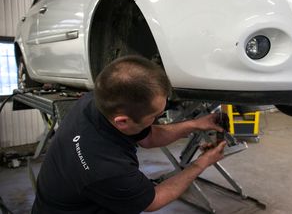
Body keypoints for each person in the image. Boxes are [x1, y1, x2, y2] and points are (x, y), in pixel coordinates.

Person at [32, 55, 226, 213]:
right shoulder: (107, 168)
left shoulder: (99, 100)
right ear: (123, 121)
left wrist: (196, 124)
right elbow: (153, 200)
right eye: (156, 116)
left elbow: (148, 137)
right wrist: (202, 163)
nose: (160, 118)